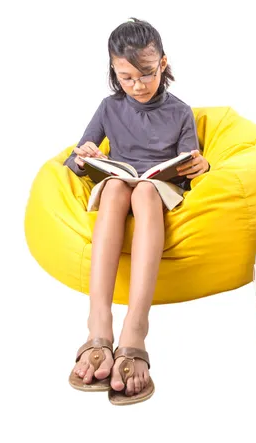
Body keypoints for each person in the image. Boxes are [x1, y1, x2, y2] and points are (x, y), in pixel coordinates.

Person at [64, 18, 209, 405]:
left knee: (143, 192)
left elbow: (192, 166)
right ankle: (99, 325)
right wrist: (87, 155)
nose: (137, 85)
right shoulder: (108, 108)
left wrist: (202, 166)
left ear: (163, 63)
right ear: (114, 72)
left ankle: (136, 328)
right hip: (118, 180)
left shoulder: (181, 112)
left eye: (146, 74)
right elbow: (74, 160)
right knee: (113, 190)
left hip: (155, 188)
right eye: (125, 77)